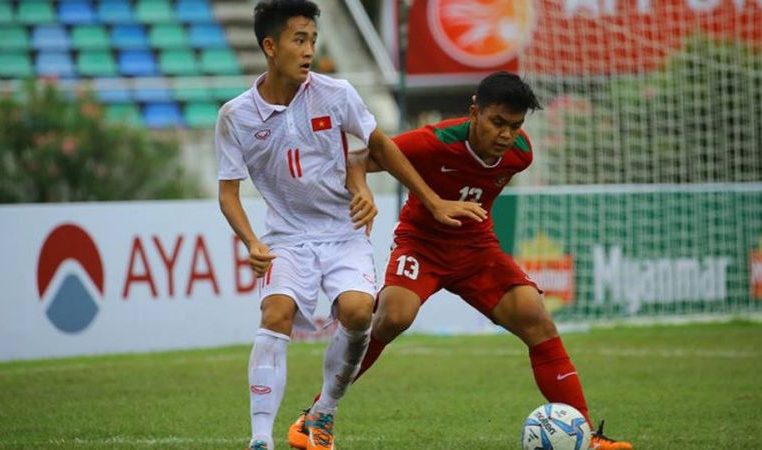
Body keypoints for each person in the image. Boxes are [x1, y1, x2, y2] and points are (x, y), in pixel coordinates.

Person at [287, 71, 633, 450]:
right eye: (497, 122)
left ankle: (584, 435)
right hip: (421, 244)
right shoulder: (432, 143)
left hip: (476, 249)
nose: (505, 134)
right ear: (474, 111)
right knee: (392, 318)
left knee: (538, 321)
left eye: (515, 126)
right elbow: (358, 160)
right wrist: (364, 191)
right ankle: (316, 415)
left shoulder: (520, 155)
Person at [215, 2, 487, 449]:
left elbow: (382, 146)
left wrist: (432, 201)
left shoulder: (336, 93)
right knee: (275, 314)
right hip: (286, 238)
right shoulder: (235, 116)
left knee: (360, 313)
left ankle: (322, 414)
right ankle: (260, 439)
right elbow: (228, 193)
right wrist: (250, 241)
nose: (309, 50)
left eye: (313, 40)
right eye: (299, 39)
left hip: (343, 232)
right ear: (270, 46)